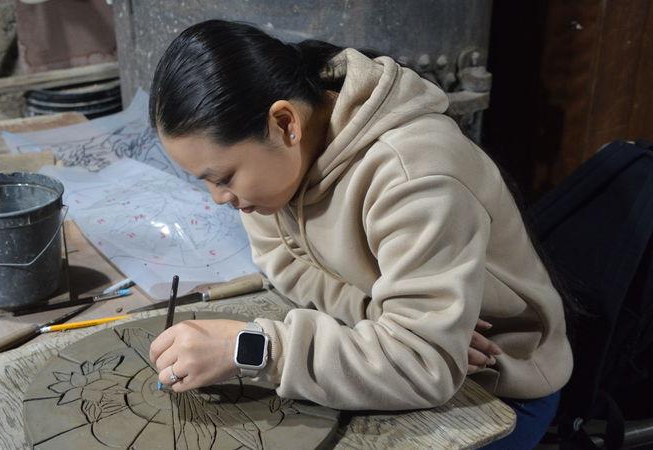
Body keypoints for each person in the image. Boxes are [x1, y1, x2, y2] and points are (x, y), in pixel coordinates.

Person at [147, 19, 572, 448]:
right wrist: (375, 315)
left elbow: (424, 367)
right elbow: (285, 264)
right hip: (406, 355)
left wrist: (253, 349)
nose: (218, 197)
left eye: (222, 177)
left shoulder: (414, 174)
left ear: (284, 123)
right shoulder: (271, 175)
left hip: (496, 387)